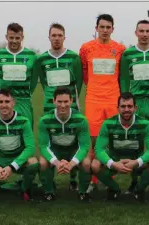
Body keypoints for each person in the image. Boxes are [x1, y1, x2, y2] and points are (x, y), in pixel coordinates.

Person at [119, 19, 149, 195]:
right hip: (137, 103)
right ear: (136, 33)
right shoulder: (128, 54)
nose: (145, 34)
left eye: (148, 31)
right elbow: (124, 79)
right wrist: (127, 103)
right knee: (135, 142)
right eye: (142, 31)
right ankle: (134, 182)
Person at [79, 14, 126, 192]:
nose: (105, 30)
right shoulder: (86, 48)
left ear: (113, 29)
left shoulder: (120, 49)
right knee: (93, 140)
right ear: (96, 28)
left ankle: (108, 176)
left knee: (112, 139)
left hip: (113, 99)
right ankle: (92, 178)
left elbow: (121, 75)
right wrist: (95, 87)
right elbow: (84, 72)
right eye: (102, 27)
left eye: (108, 27)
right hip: (93, 100)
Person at [34, 23, 83, 190]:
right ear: (49, 37)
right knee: (51, 141)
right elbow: (43, 82)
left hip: (70, 106)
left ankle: (73, 177)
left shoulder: (73, 57)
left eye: (59, 35)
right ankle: (48, 177)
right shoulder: (41, 59)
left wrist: (74, 103)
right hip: (50, 106)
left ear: (64, 37)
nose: (56, 38)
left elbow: (79, 82)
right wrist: (51, 98)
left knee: (72, 141)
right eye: (53, 35)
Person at [91, 92, 149, 202]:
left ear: (135, 108)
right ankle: (114, 189)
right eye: (123, 106)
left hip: (136, 159)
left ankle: (139, 190)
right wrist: (113, 163)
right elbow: (99, 150)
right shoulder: (108, 124)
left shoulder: (145, 124)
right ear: (117, 108)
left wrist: (137, 162)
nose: (126, 109)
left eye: (130, 106)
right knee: (95, 165)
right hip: (115, 159)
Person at [38, 87, 92, 202]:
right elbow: (43, 146)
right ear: (53, 101)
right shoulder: (44, 120)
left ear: (71, 101)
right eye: (59, 102)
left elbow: (84, 146)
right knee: (43, 162)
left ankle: (83, 192)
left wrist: (72, 163)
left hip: (73, 150)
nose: (63, 105)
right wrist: (56, 163)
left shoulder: (81, 120)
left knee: (87, 163)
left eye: (66, 101)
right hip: (56, 150)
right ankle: (49, 192)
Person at [0, 23, 38, 124]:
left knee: (25, 131)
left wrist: (25, 94)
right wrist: (2, 96)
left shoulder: (32, 56)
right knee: (1, 134)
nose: (14, 41)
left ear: (22, 38)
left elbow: (33, 81)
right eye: (11, 37)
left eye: (17, 38)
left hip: (23, 101)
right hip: (3, 101)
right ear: (6, 37)